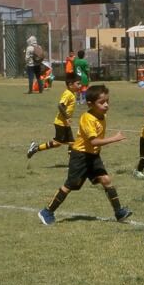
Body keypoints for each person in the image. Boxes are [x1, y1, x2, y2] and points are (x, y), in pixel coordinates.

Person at [37, 85, 132, 225]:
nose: (106, 105)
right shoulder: (87, 118)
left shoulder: (101, 116)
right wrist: (115, 138)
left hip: (93, 156)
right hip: (80, 156)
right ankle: (47, 211)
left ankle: (119, 212)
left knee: (106, 180)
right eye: (101, 102)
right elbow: (93, 141)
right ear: (90, 104)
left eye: (107, 101)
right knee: (69, 185)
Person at [27, 74, 81, 159]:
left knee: (71, 143)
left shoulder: (72, 93)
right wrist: (67, 117)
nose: (80, 86)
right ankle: (35, 148)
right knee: (57, 143)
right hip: (61, 123)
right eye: (78, 84)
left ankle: (73, 162)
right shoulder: (68, 94)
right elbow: (60, 106)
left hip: (64, 124)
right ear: (70, 85)